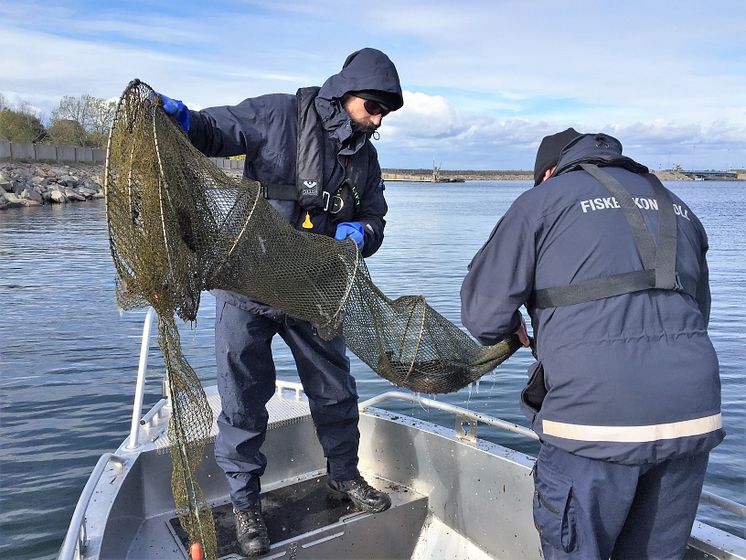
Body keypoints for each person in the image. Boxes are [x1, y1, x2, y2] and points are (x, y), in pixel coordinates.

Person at [159, 47, 403, 557]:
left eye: (384, 112)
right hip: (248, 285)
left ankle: (343, 477)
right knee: (243, 402)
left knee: (336, 391)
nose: (377, 119)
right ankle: (246, 506)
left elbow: (378, 214)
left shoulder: (365, 154)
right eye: (372, 107)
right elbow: (210, 132)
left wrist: (365, 233)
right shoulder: (276, 115)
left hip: (313, 290)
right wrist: (179, 118)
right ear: (343, 93)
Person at [460, 129, 724, 559]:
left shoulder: (542, 201)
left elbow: (483, 315)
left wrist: (512, 325)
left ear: (549, 172)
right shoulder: (680, 208)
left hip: (595, 420)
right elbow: (700, 314)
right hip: (693, 417)